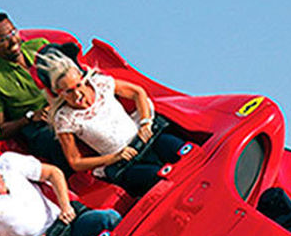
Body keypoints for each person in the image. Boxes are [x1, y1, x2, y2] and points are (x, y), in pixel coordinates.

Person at [35, 48, 185, 196]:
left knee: (183, 151)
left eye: (78, 86)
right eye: (69, 91)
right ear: (59, 93)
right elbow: (75, 162)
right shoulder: (64, 118)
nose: (77, 94)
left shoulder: (100, 84)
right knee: (160, 178)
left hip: (146, 140)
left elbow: (137, 92)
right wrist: (115, 157)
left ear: (82, 78)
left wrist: (145, 122)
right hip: (125, 163)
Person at [0, 12, 66, 168]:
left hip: (65, 102)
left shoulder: (39, 46)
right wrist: (30, 118)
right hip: (39, 127)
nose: (13, 40)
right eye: (3, 39)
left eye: (13, 32)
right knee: (58, 140)